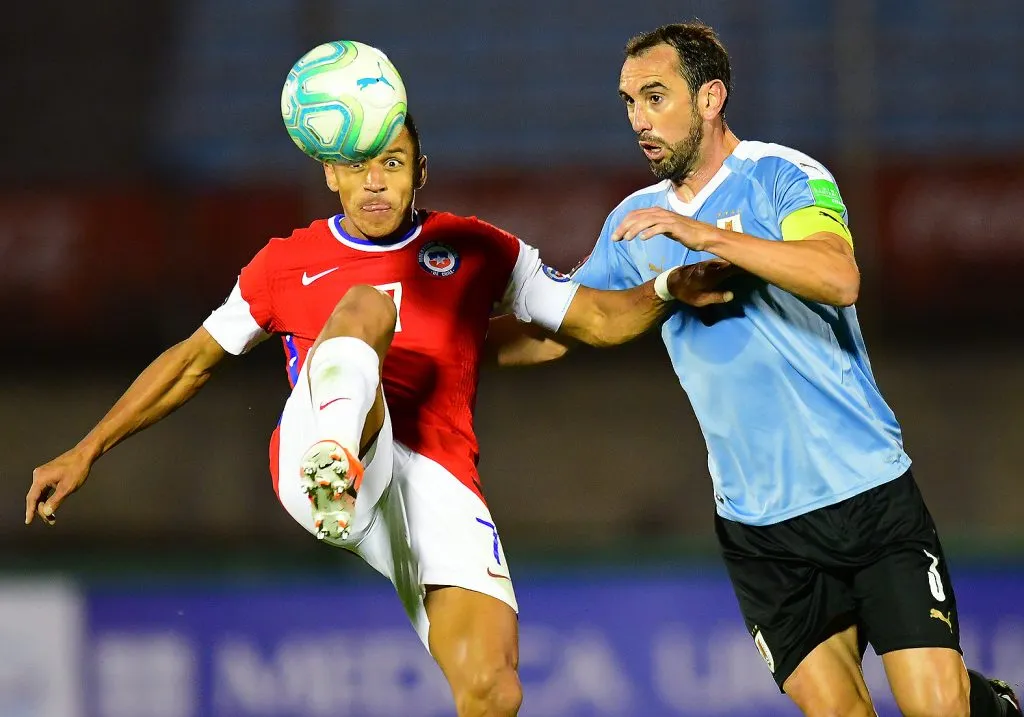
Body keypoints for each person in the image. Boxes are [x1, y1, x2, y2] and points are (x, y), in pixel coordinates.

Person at [24, 114, 734, 717]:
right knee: (367, 305)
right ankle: (337, 453)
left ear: (421, 169)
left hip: (431, 482)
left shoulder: (480, 249)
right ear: (330, 175)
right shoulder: (284, 264)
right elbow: (190, 360)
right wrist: (87, 448)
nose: (374, 182)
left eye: (391, 163)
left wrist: (670, 284)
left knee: (494, 686)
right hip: (319, 456)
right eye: (357, 167)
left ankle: (352, 471)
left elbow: (595, 321)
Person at [487, 21, 1021, 717]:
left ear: (710, 97)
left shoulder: (783, 177)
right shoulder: (636, 220)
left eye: (655, 97)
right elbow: (563, 329)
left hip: (866, 494)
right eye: (628, 102)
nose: (638, 120)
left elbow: (838, 275)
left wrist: (711, 236)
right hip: (761, 528)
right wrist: (434, 344)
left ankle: (990, 704)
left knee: (939, 709)